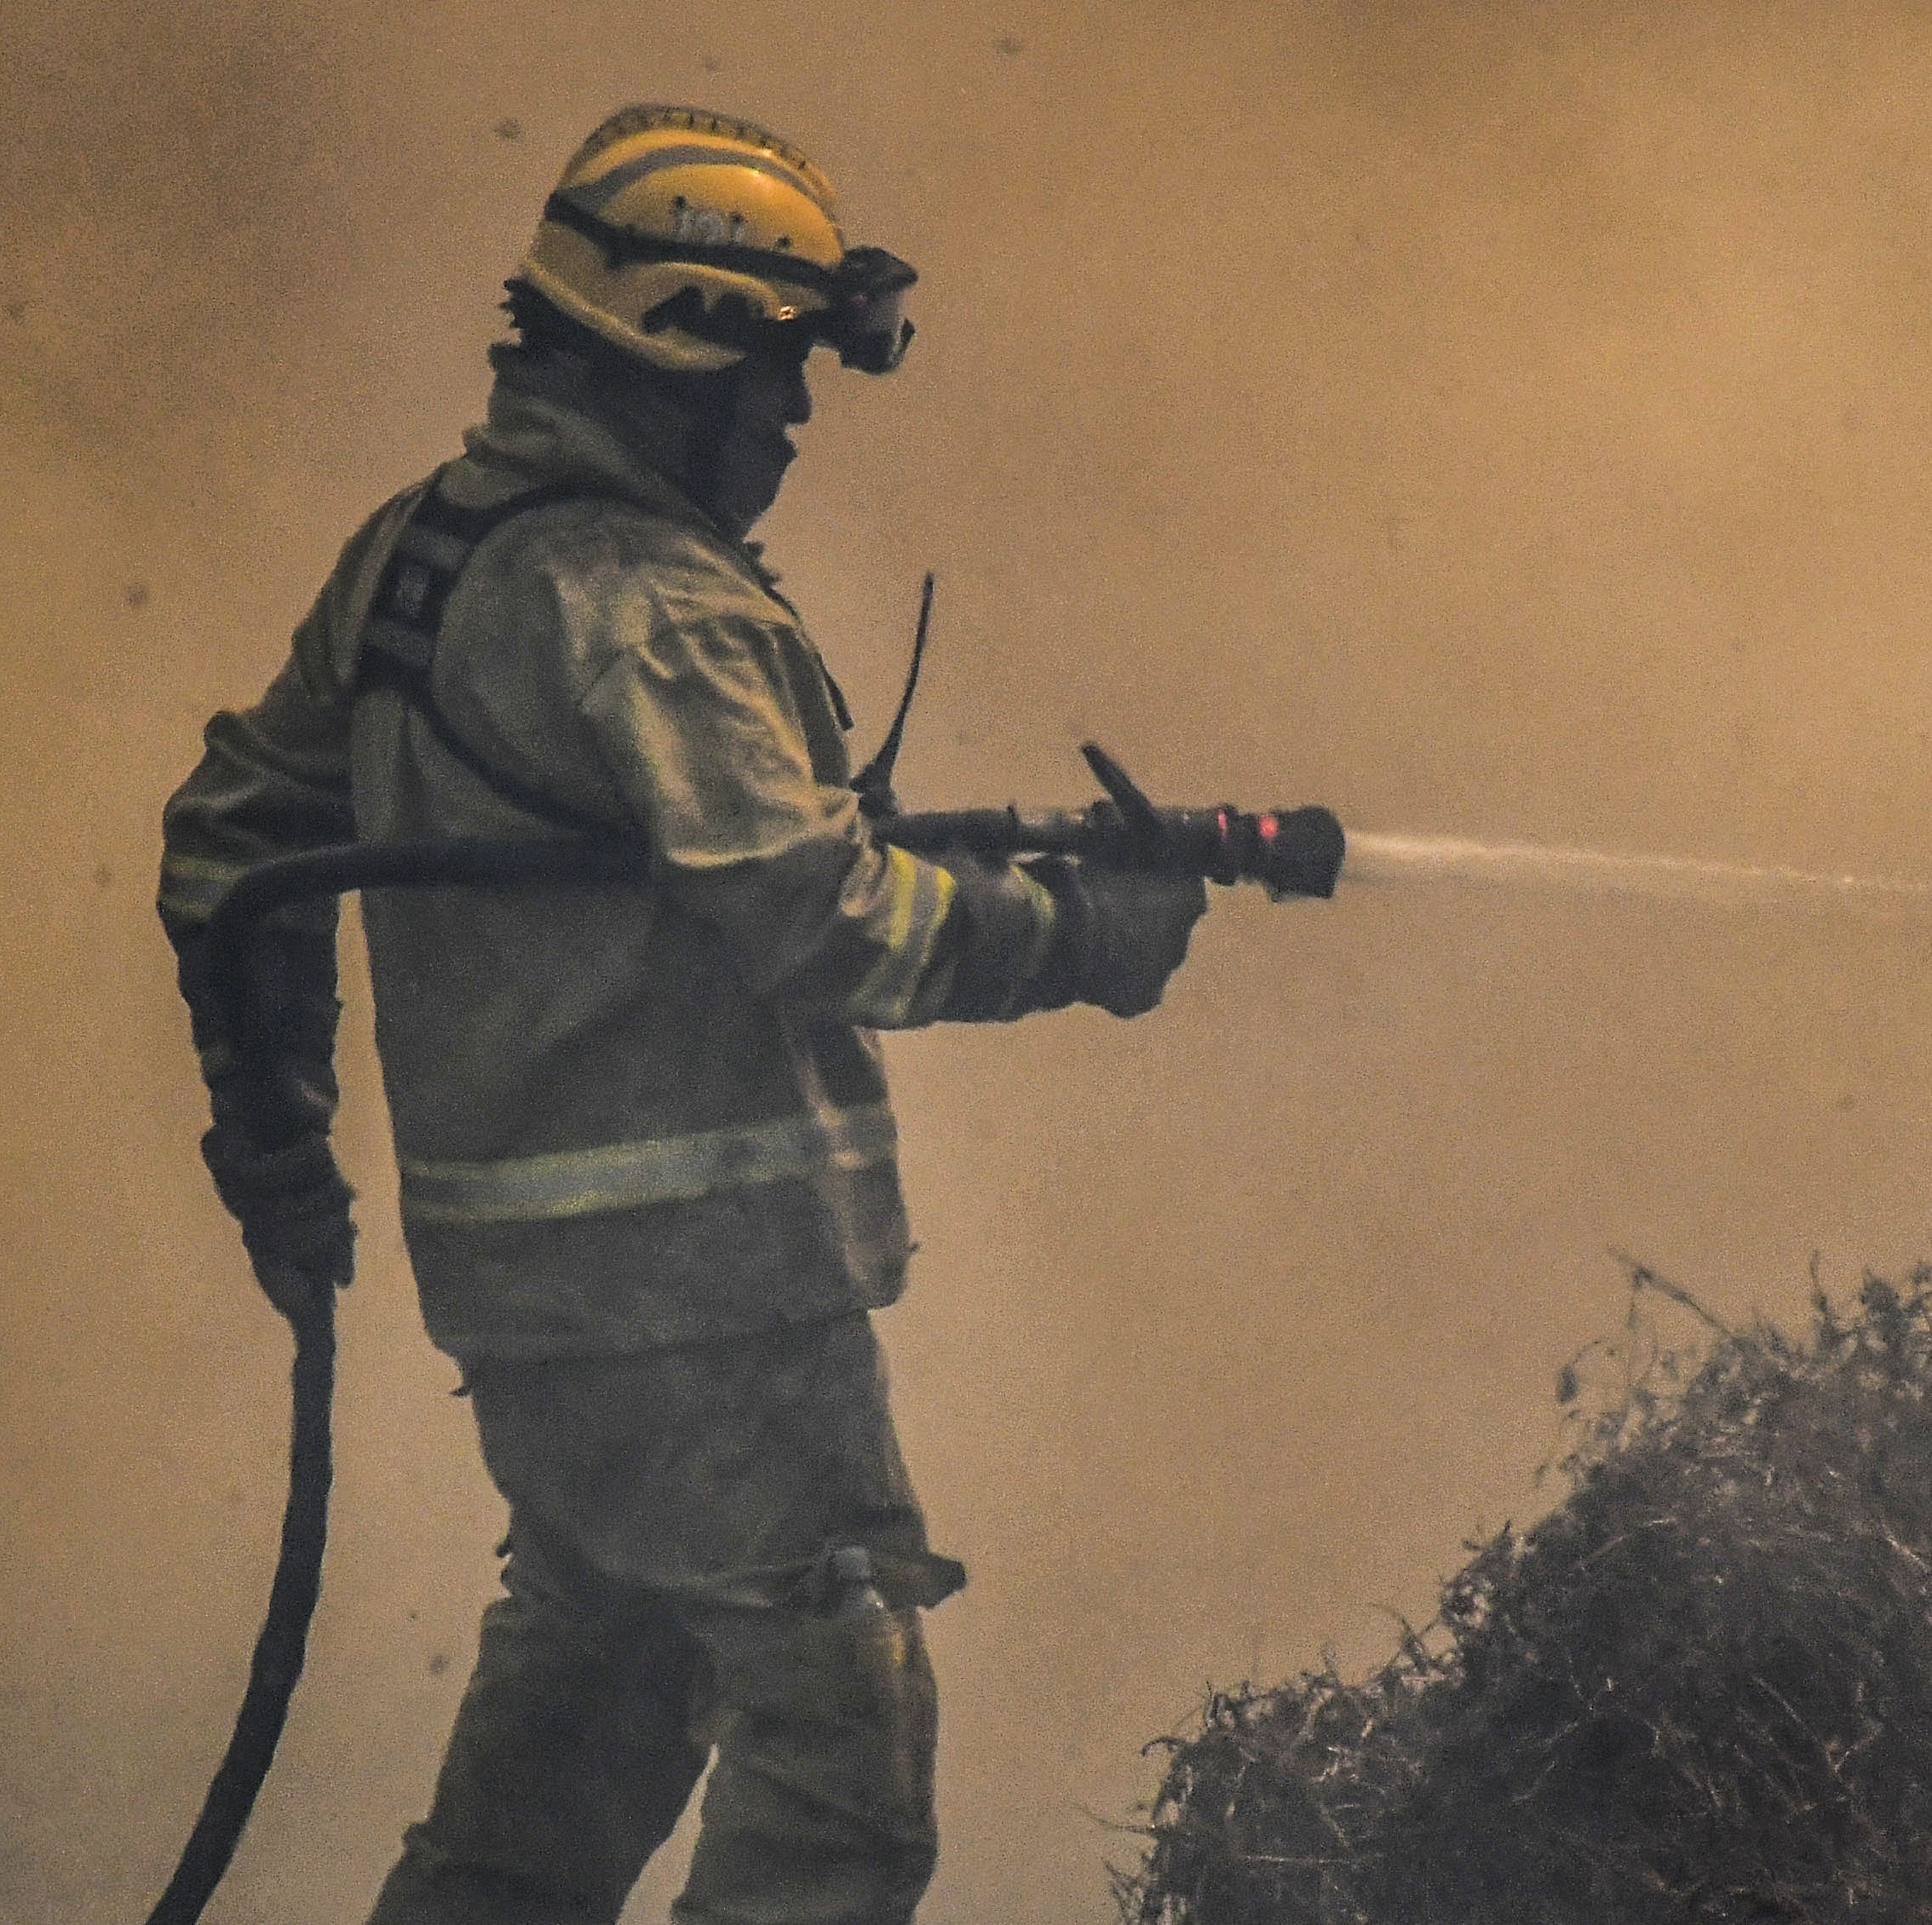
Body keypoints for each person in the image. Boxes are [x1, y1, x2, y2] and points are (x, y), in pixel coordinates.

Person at [155, 104, 1208, 1925]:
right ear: (684, 349)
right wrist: (1076, 935)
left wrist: (274, 1135)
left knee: (581, 1733)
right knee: (837, 1774)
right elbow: (825, 921)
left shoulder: (429, 546)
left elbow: (232, 839)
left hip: (546, 1311)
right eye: (781, 378)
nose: (793, 423)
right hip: (707, 1297)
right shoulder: (647, 608)